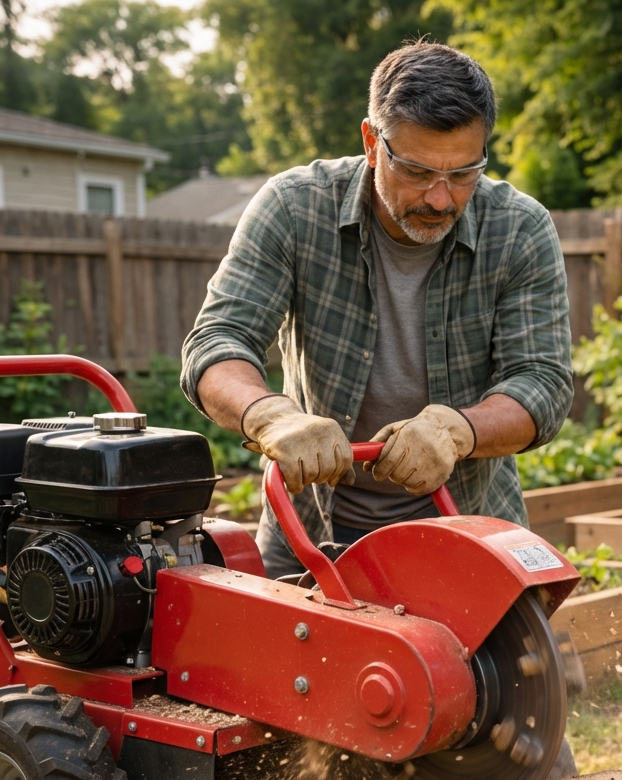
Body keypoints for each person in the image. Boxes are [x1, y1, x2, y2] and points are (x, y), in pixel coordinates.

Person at [180, 41, 574, 581]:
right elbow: (218, 341)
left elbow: (543, 382)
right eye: (416, 171)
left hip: (466, 524)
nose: (440, 199)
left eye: (463, 174)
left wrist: (459, 430)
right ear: (372, 142)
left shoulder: (520, 229)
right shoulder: (294, 209)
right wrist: (271, 414)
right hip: (308, 530)